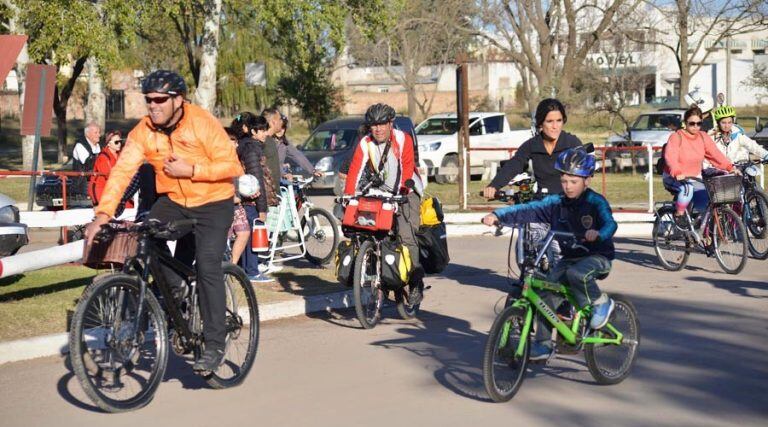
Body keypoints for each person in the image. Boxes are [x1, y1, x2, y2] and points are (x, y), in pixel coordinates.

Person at [84, 70, 244, 373]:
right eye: (149, 100)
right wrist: (102, 214)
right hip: (174, 201)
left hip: (214, 201)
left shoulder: (201, 122)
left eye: (160, 100)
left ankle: (214, 344)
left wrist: (192, 169)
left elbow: (232, 165)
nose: (153, 106)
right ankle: (179, 289)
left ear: (178, 100)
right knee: (145, 235)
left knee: (208, 264)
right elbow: (122, 172)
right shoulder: (144, 131)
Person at [482, 146, 617, 360]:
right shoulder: (556, 203)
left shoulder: (595, 202)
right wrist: (498, 215)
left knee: (576, 275)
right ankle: (544, 345)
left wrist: (598, 233)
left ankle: (601, 302)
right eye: (564, 181)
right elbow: (528, 210)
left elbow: (610, 224)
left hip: (597, 257)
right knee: (544, 295)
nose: (568, 187)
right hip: (570, 258)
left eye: (574, 182)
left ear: (587, 181)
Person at [344, 103, 425, 304]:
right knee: (368, 229)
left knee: (407, 235)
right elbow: (354, 170)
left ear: (391, 123)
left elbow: (406, 169)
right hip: (380, 189)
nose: (378, 129)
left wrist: (400, 195)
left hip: (407, 189)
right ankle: (379, 272)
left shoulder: (402, 138)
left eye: (382, 124)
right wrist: (348, 196)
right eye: (374, 125)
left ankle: (416, 283)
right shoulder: (365, 142)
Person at [484, 98, 582, 262]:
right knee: (528, 244)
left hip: (566, 204)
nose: (555, 126)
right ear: (540, 124)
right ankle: (528, 276)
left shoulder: (571, 143)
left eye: (559, 121)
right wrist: (494, 186)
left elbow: (585, 173)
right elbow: (514, 165)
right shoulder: (532, 145)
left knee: (560, 251)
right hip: (542, 203)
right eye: (549, 121)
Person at [662, 105, 735, 225]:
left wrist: (730, 167)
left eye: (698, 123)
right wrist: (677, 172)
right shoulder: (676, 137)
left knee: (709, 199)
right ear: (685, 123)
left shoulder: (703, 137)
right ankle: (679, 215)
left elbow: (715, 155)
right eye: (692, 123)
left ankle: (702, 231)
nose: (695, 126)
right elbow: (671, 157)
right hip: (674, 177)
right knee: (687, 188)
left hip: (695, 177)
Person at [231, 113, 273, 282]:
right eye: (262, 130)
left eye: (265, 130)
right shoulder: (251, 149)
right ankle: (252, 271)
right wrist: (262, 207)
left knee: (247, 234)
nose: (265, 134)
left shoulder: (246, 146)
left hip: (248, 198)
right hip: (251, 200)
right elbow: (257, 180)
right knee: (252, 233)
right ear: (253, 132)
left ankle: (248, 269)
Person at [224, 126, 255, 268]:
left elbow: (243, 179)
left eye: (237, 141)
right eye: (233, 141)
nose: (236, 144)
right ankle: (220, 267)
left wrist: (250, 190)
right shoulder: (218, 160)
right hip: (223, 205)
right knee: (223, 237)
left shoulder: (235, 159)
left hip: (237, 204)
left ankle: (232, 266)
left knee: (244, 232)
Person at [274, 113, 322, 179]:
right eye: (280, 127)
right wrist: (283, 173)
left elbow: (297, 155)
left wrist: (313, 170)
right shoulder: (268, 142)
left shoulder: (284, 142)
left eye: (283, 127)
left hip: (278, 178)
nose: (281, 130)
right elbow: (271, 163)